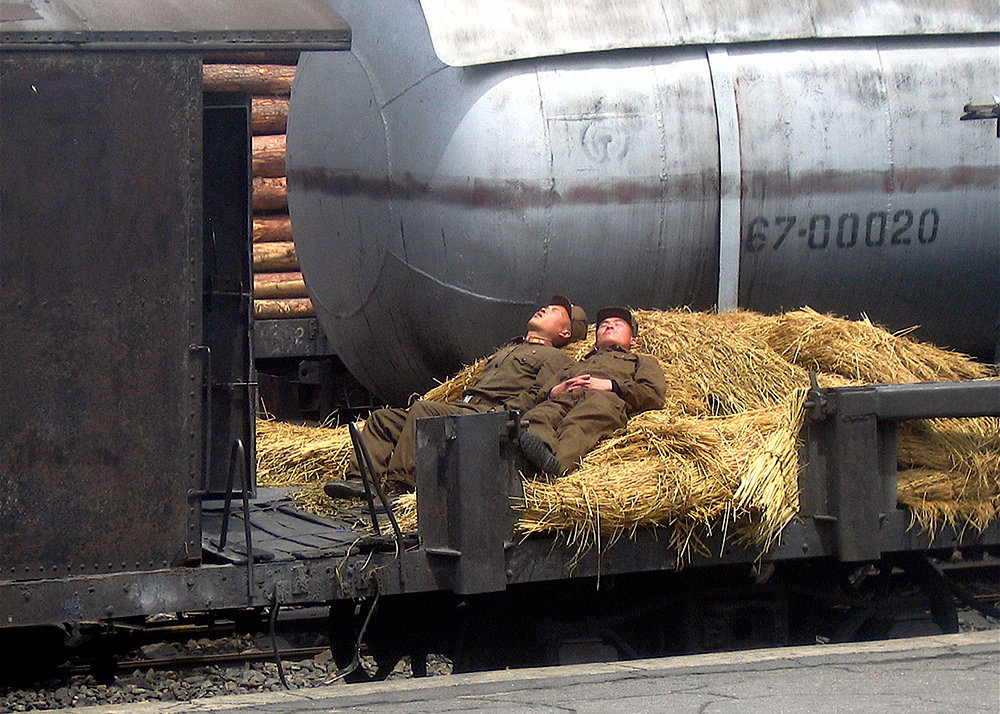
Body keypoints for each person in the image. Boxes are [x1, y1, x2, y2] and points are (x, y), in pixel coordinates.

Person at [325, 296, 588, 499]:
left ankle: (401, 487)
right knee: (384, 419)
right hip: (463, 407)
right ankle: (362, 483)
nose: (544, 309)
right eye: (547, 306)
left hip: (487, 415)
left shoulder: (556, 359)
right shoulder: (509, 349)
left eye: (555, 312)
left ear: (565, 333)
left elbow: (538, 397)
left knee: (423, 412)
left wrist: (500, 414)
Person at [517, 307, 665, 476]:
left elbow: (653, 393)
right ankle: (539, 451)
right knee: (538, 416)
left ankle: (558, 464)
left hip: (604, 399)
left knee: (583, 421)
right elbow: (541, 393)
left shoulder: (641, 361)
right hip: (564, 397)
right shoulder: (575, 364)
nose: (609, 326)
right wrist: (555, 390)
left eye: (618, 324)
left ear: (633, 340)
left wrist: (611, 386)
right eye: (604, 325)